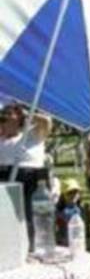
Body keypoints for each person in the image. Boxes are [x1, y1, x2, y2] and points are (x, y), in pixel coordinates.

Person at [0, 104, 53, 247]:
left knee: (31, 216)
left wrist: (24, 113)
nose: (3, 120)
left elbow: (46, 122)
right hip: (5, 176)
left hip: (32, 177)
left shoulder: (31, 133)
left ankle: (34, 246)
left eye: (7, 116)